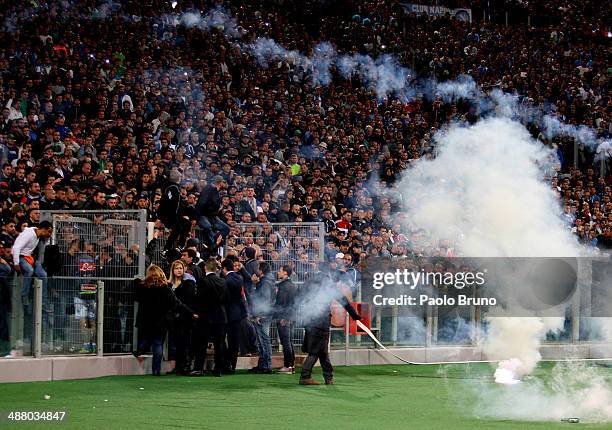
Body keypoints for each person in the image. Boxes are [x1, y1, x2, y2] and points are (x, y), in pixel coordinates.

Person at [299, 263, 361, 385]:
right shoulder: (327, 282)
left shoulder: (309, 281)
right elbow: (342, 299)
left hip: (309, 319)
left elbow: (300, 298)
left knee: (322, 351)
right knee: (315, 351)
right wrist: (354, 315)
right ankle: (305, 376)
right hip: (321, 322)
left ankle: (328, 377)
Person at [133, 265, 198, 376]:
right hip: (161, 320)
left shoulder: (142, 287)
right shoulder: (165, 287)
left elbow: (136, 297)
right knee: (158, 344)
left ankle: (140, 349)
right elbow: (177, 303)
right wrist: (191, 312)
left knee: (147, 337)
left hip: (146, 319)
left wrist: (138, 281)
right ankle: (156, 370)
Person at [191, 257, 228, 377]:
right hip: (220, 316)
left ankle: (198, 368)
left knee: (201, 343)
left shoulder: (203, 280)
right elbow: (225, 299)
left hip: (206, 316)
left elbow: (199, 299)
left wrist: (197, 311)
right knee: (219, 344)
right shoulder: (222, 281)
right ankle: (218, 369)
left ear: (205, 268)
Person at [11, 220, 53, 307]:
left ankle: (43, 299)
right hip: (20, 256)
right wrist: (16, 263)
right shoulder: (29, 234)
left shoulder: (38, 236)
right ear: (43, 229)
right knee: (29, 270)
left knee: (43, 275)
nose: (49, 234)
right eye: (49, 232)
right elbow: (16, 247)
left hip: (29, 257)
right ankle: (24, 295)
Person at [168, 260, 197, 375]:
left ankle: (185, 366)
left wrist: (190, 313)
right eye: (176, 268)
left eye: (180, 268)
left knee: (184, 343)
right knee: (177, 343)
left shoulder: (188, 283)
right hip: (173, 318)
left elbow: (188, 301)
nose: (179, 270)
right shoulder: (169, 284)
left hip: (185, 317)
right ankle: (178, 366)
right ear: (172, 270)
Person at [221, 257, 248, 374]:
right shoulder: (239, 278)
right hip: (238, 314)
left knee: (222, 339)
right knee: (234, 341)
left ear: (224, 269)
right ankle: (232, 365)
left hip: (227, 314)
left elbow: (224, 298)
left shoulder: (225, 281)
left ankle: (226, 364)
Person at [248, 262, 275, 374]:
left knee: (264, 341)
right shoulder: (266, 282)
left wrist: (260, 314)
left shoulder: (265, 283)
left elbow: (264, 300)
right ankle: (262, 365)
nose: (255, 270)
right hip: (263, 314)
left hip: (263, 315)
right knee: (262, 341)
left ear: (261, 270)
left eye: (257, 268)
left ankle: (266, 366)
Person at [159, 170, 191, 259]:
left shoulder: (169, 186)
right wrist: (175, 215)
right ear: (178, 178)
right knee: (178, 228)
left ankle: (180, 246)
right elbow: (174, 203)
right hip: (170, 214)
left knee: (187, 223)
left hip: (170, 214)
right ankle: (166, 249)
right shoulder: (174, 188)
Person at [274, 265, 298, 374]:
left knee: (286, 342)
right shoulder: (291, 285)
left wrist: (284, 317)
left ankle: (288, 366)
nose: (278, 272)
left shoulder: (284, 286)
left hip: (284, 318)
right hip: (290, 317)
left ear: (285, 273)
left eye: (280, 270)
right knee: (289, 342)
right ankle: (291, 365)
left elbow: (283, 304)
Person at [196, 175, 230, 247]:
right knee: (207, 226)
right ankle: (212, 244)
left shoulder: (216, 191)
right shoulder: (209, 189)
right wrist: (195, 217)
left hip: (213, 217)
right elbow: (201, 203)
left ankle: (216, 241)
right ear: (220, 182)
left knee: (226, 229)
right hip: (203, 215)